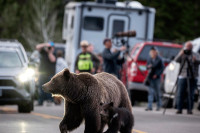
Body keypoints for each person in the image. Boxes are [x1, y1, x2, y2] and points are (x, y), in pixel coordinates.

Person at [175, 41, 200, 114]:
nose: (188, 48)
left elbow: (199, 61)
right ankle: (179, 109)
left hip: (193, 76)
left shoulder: (196, 54)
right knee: (180, 93)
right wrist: (181, 54)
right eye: (187, 46)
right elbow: (176, 60)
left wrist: (195, 60)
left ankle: (190, 109)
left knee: (191, 93)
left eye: (189, 47)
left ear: (192, 47)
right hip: (182, 75)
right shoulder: (183, 54)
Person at [36, 41, 56, 106]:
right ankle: (40, 102)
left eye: (51, 47)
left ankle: (50, 101)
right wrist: (45, 44)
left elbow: (53, 60)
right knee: (41, 88)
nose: (50, 48)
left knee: (49, 88)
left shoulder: (54, 54)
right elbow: (37, 47)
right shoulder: (43, 52)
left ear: (53, 48)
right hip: (42, 73)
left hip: (50, 74)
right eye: (49, 47)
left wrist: (49, 52)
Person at [145, 47, 164, 111]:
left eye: (154, 51)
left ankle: (159, 105)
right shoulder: (149, 58)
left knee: (157, 92)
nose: (153, 53)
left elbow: (162, 68)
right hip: (150, 77)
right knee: (150, 92)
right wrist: (148, 67)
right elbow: (147, 66)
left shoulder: (159, 59)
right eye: (152, 52)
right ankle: (149, 106)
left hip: (156, 78)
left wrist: (157, 74)